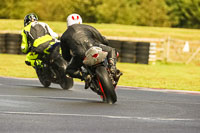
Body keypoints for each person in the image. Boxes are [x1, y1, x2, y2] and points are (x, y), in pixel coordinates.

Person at [60, 13, 121, 88]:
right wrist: (105, 45)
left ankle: (85, 77)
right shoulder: (88, 27)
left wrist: (72, 61)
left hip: (80, 54)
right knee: (112, 50)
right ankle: (113, 68)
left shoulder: (64, 35)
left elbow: (65, 55)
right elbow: (101, 39)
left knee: (69, 71)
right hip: (94, 46)